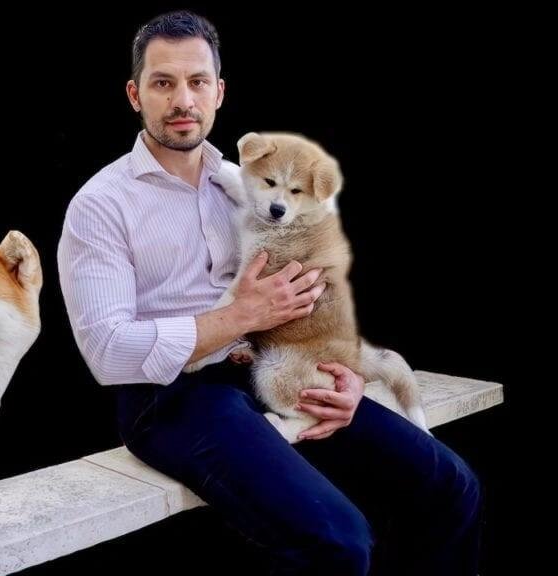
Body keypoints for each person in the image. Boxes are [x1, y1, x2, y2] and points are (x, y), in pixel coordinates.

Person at [56, 10, 482, 575]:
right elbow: (108, 353)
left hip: (276, 363)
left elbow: (312, 292)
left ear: (219, 92)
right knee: (338, 541)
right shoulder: (100, 204)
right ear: (135, 94)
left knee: (453, 487)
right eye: (163, 83)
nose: (182, 99)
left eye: (197, 82)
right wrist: (241, 315)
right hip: (170, 396)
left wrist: (341, 366)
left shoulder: (247, 184)